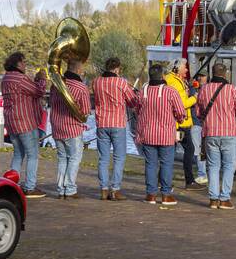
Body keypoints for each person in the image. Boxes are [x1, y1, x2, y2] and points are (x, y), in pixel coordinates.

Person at [197, 62, 236, 210]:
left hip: (210, 133)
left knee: (213, 166)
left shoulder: (204, 89)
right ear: (225, 74)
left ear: (212, 73)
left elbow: (199, 112)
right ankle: (225, 198)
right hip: (229, 133)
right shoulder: (232, 90)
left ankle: (213, 199)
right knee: (228, 166)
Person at [135, 64, 186, 206]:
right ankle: (166, 195)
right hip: (166, 135)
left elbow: (137, 110)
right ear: (163, 76)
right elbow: (180, 112)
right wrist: (179, 119)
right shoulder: (171, 91)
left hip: (147, 134)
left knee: (150, 164)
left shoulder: (143, 91)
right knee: (166, 164)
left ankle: (151, 195)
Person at [0, 51, 46, 198]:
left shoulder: (6, 78)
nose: (25, 65)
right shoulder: (20, 78)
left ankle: (12, 184)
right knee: (33, 155)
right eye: (23, 62)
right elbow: (39, 91)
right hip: (25, 122)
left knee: (18, 154)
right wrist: (42, 79)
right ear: (18, 63)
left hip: (11, 122)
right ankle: (30, 187)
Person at [92, 57, 138, 201]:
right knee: (119, 157)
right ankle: (115, 189)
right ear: (117, 69)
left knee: (103, 158)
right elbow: (132, 102)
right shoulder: (121, 82)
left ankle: (103, 189)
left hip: (102, 123)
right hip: (117, 124)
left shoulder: (96, 82)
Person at [49, 59, 91, 200]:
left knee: (62, 158)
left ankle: (61, 189)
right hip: (72, 128)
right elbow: (85, 111)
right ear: (78, 70)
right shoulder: (81, 87)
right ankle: (70, 189)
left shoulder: (56, 84)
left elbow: (51, 102)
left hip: (56, 126)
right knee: (74, 158)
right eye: (82, 70)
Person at [165, 59, 204, 190]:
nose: (186, 70)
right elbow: (181, 104)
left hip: (180, 122)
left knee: (171, 151)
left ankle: (162, 180)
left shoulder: (175, 80)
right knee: (188, 149)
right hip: (179, 123)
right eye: (184, 67)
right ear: (176, 68)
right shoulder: (174, 82)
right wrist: (195, 98)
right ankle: (189, 181)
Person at [189, 71, 209, 183]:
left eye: (203, 76)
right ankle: (202, 173)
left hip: (208, 124)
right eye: (199, 76)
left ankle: (206, 173)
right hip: (196, 124)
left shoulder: (210, 89)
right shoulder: (193, 89)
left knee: (208, 150)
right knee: (198, 150)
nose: (201, 78)